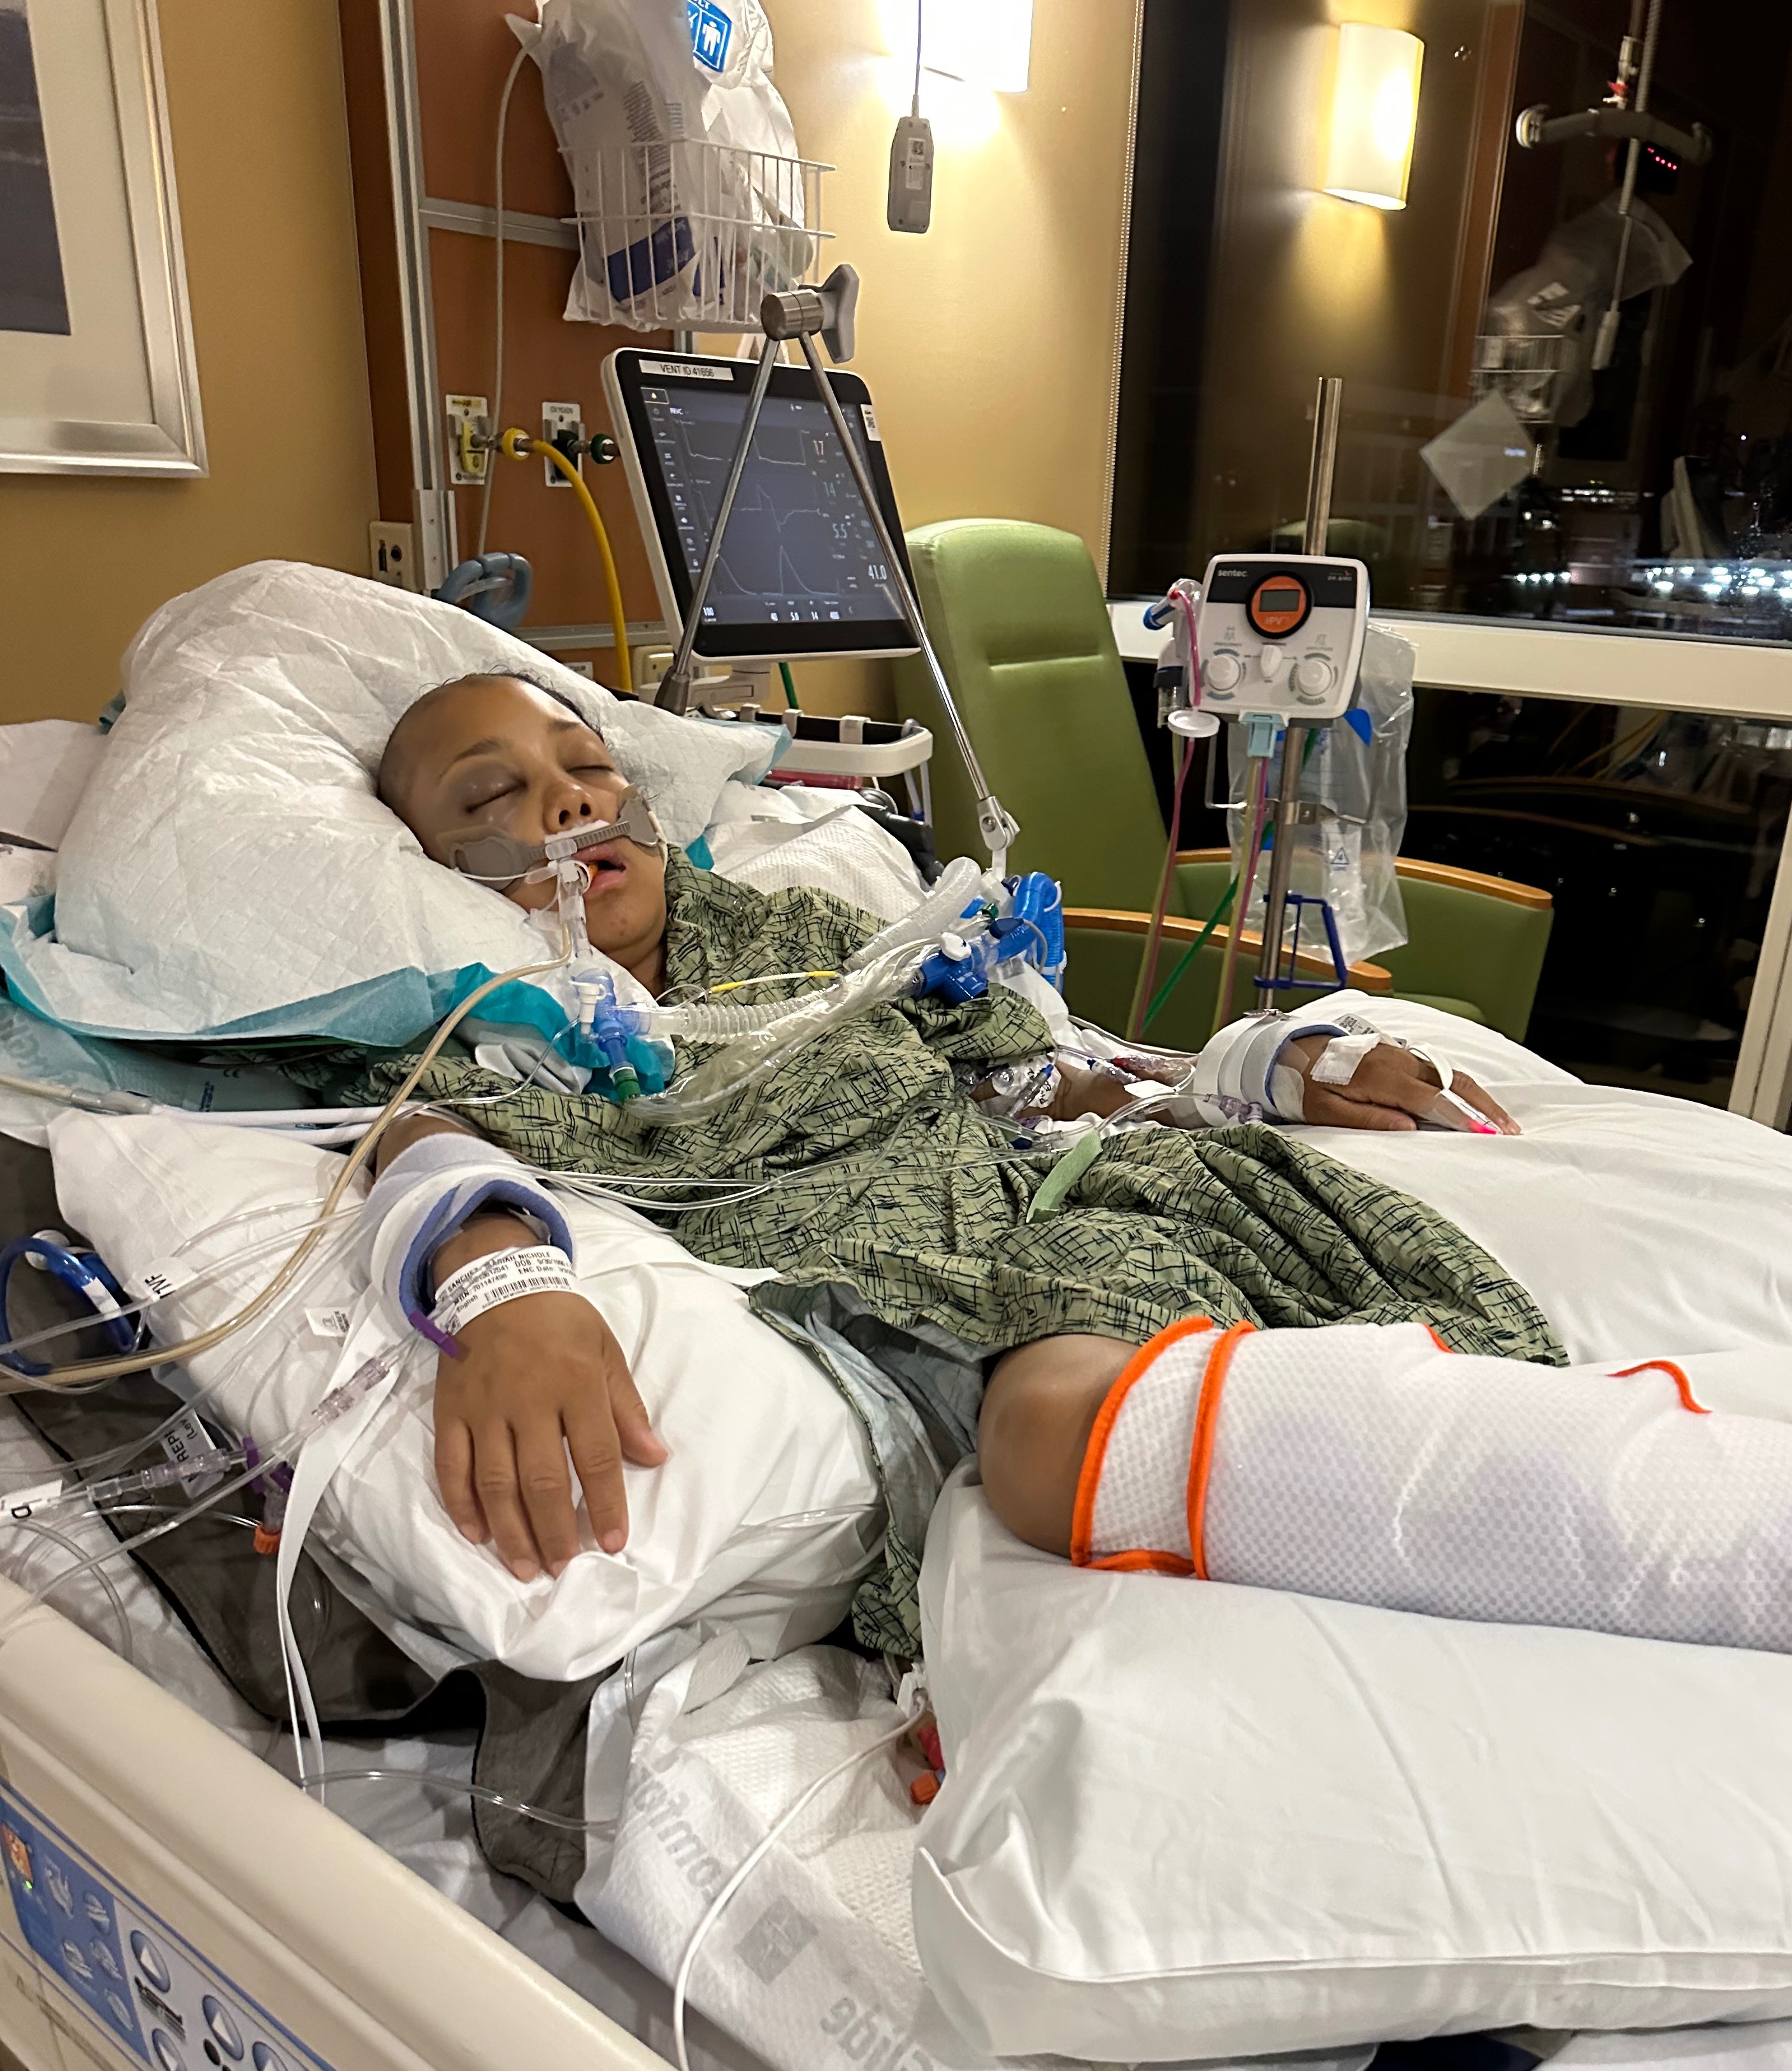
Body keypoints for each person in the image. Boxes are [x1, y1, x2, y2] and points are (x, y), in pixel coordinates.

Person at [347, 671, 1547, 1652]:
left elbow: (1041, 1073)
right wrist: (499, 1275)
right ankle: (1570, 1520)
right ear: (426, 867)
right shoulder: (474, 1033)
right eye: (493, 794)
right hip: (899, 1296)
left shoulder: (803, 935)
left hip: (1059, 1207)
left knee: (1286, 1327)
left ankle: (1553, 1494)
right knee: (1051, 1433)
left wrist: (1251, 1070)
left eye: (590, 767)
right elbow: (410, 1130)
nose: (570, 802)